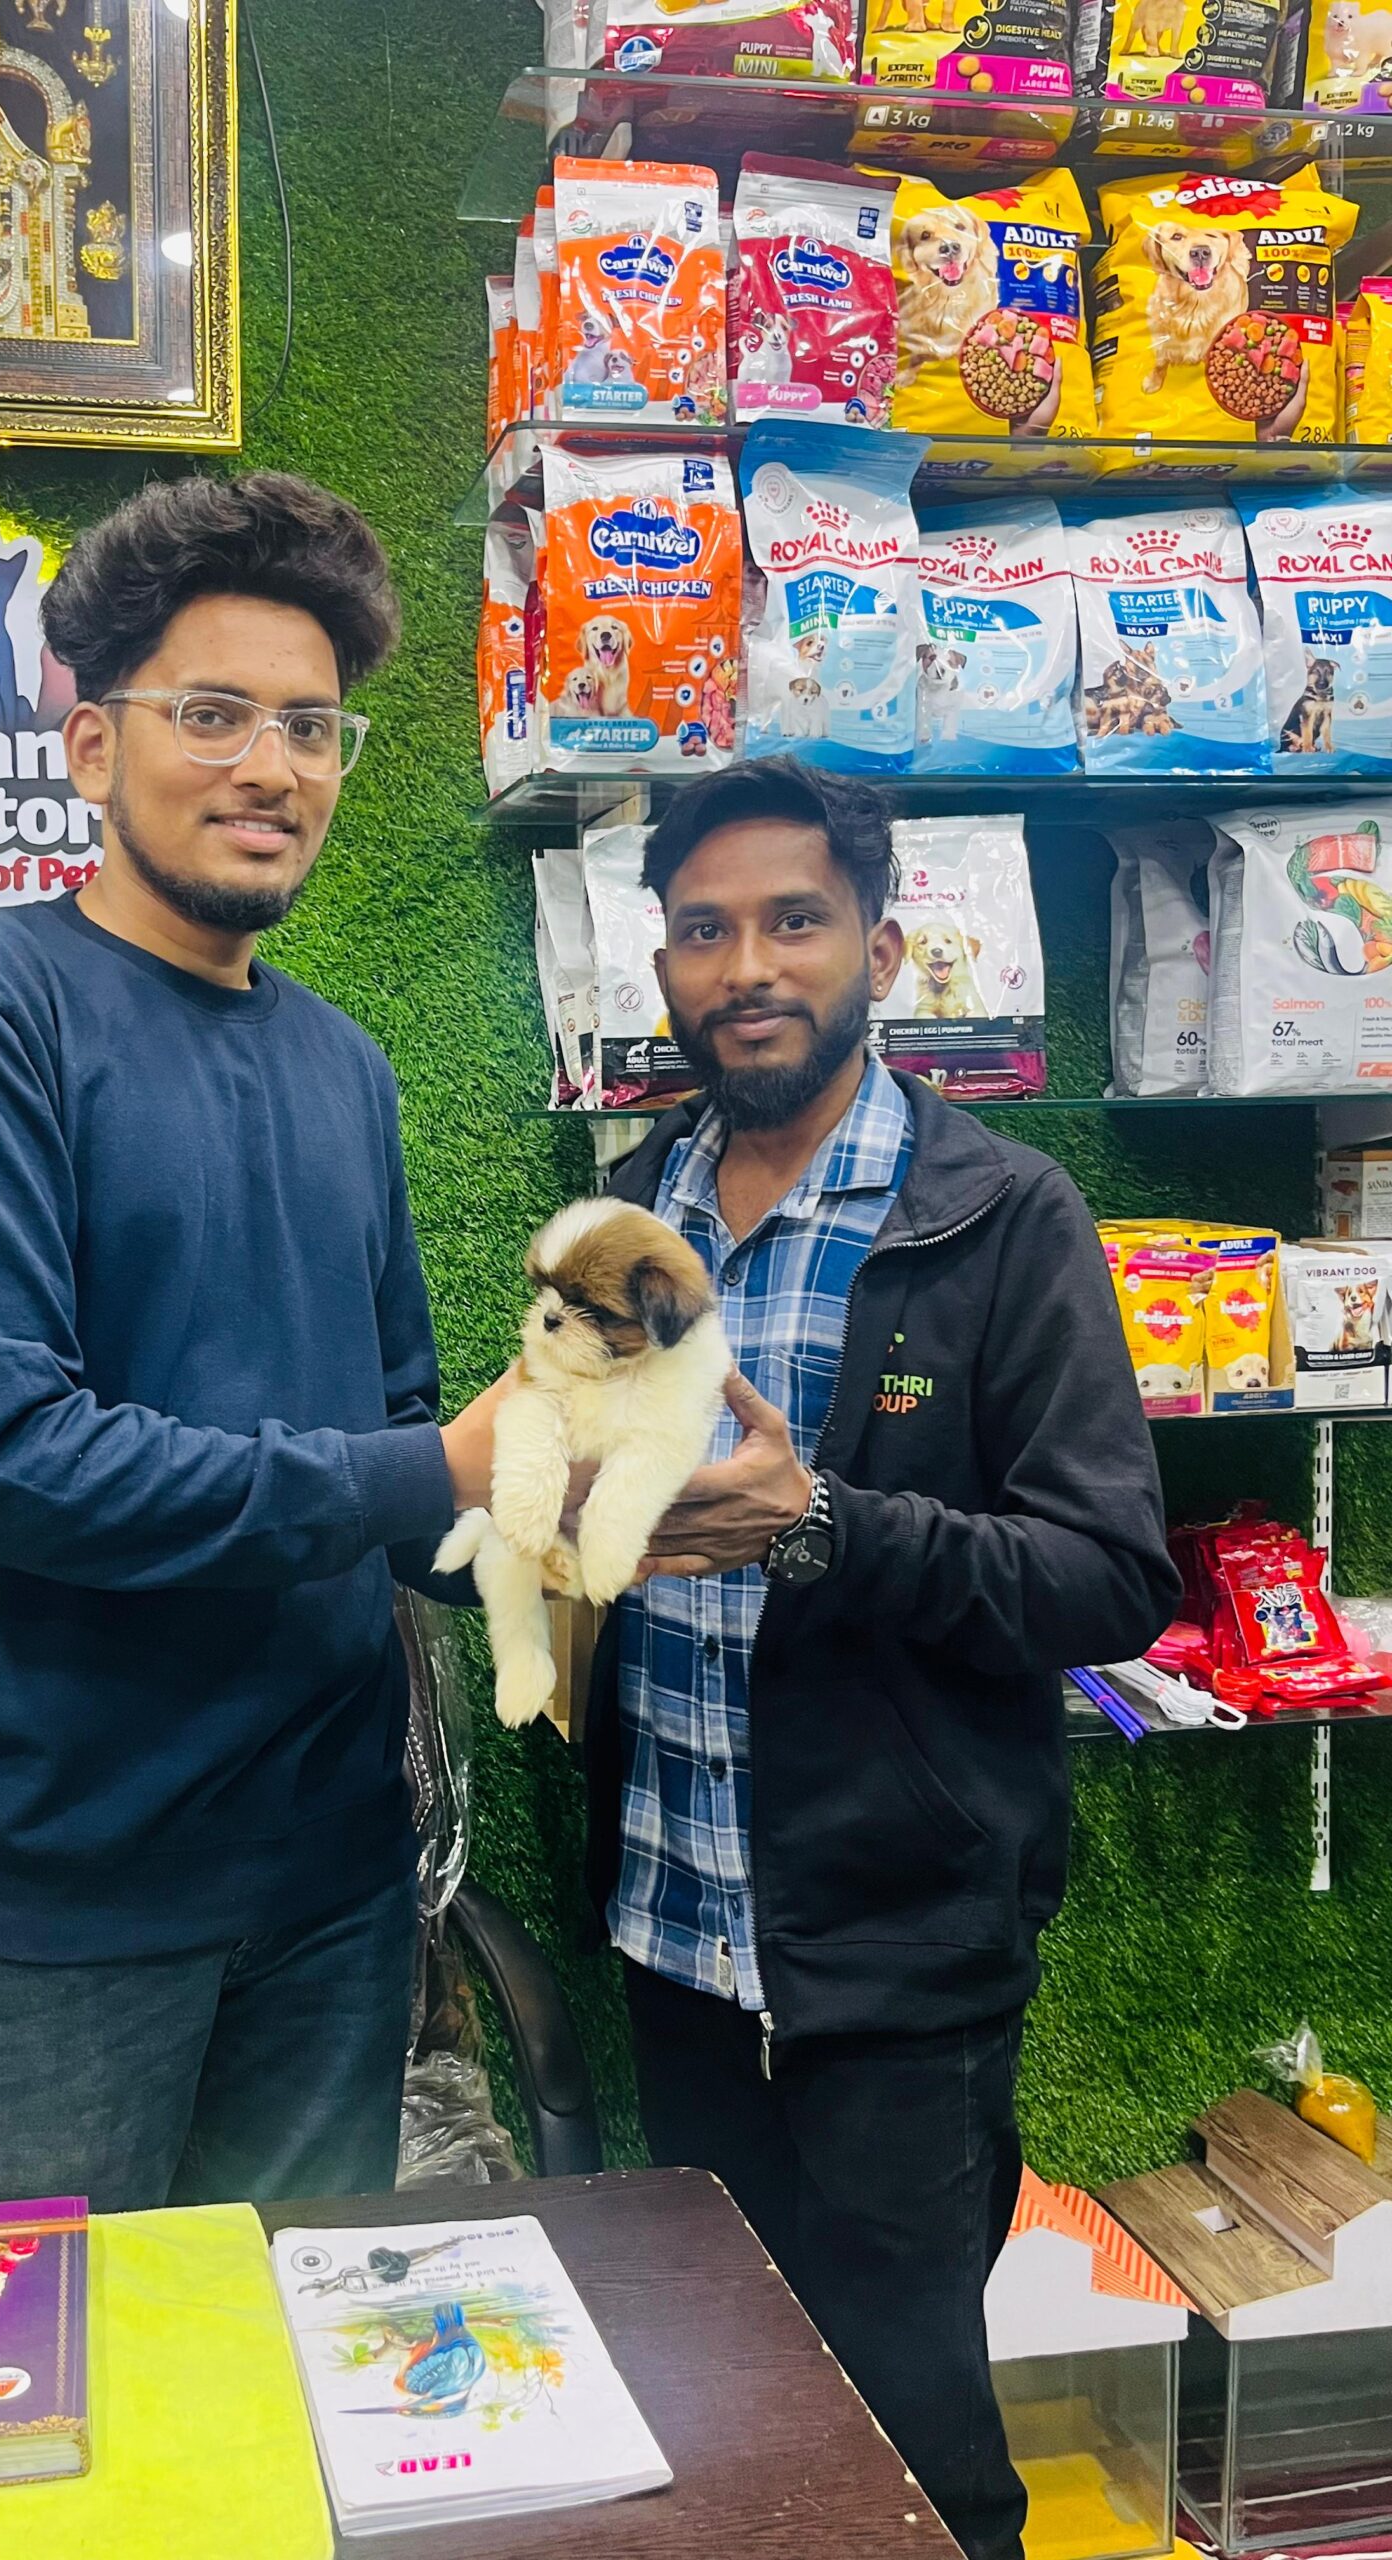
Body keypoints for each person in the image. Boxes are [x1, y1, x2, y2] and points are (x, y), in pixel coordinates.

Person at [0, 472, 508, 2214]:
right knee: (40, 2381)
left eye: (312, 727)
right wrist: (434, 1469)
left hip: (335, 1891)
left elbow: (402, 1450)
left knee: (281, 2360)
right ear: (90, 747)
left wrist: (588, 1499)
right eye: (213, 714)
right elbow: (4, 1462)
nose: (273, 768)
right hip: (50, 1912)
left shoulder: (345, 1068)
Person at [581, 759, 1180, 2560]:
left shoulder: (999, 1215)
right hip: (673, 1937)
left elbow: (1107, 1577)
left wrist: (821, 1522)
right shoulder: (630, 1214)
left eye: (796, 921)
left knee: (920, 2465)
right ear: (662, 968)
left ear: (882, 951)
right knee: (725, 2440)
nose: (748, 966)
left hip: (898, 1965)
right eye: (704, 931)